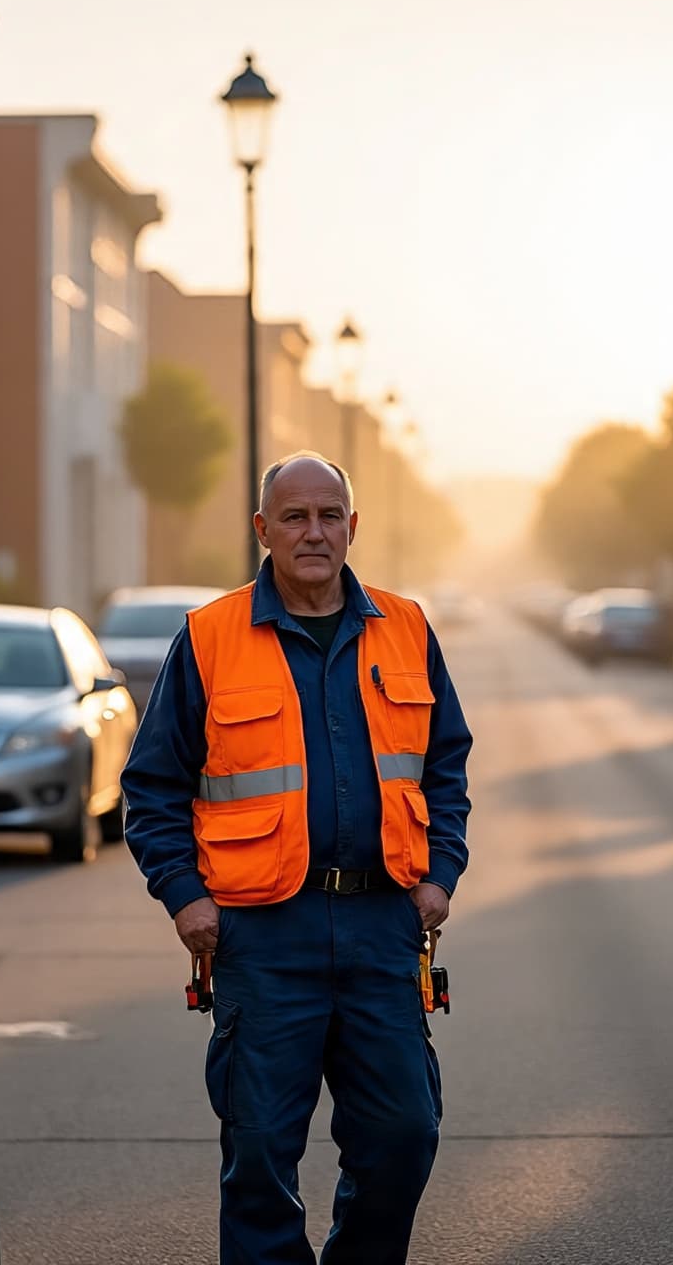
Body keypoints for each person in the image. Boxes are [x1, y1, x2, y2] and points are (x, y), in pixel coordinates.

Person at [123, 450, 472, 1265]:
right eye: (294, 517)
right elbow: (152, 784)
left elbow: (445, 766)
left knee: (404, 1135)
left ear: (353, 527)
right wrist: (183, 895)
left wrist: (441, 872)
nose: (314, 532)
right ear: (263, 529)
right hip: (261, 935)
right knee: (259, 1159)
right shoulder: (210, 638)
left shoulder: (407, 627)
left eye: (328, 516)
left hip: (383, 927)